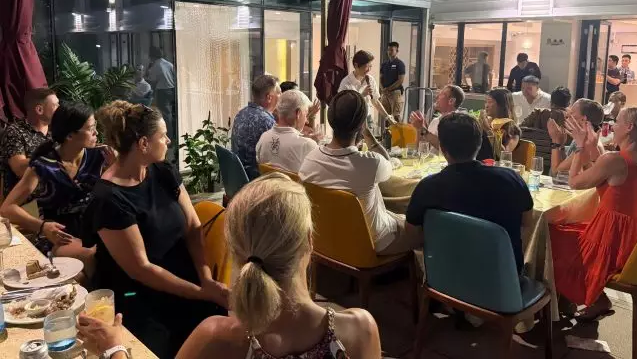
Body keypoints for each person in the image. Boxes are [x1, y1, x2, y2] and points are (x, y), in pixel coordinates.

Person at [77, 173, 383, 359]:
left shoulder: (216, 338)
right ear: (309, 242)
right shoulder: (360, 330)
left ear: (233, 249)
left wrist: (114, 348)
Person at [83, 102, 228, 358]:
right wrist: (199, 292)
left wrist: (206, 279)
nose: (168, 141)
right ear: (143, 144)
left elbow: (193, 226)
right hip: (140, 294)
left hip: (184, 277)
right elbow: (141, 269)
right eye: (163, 135)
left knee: (220, 331)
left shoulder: (162, 171)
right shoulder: (109, 199)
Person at [550, 107, 637, 320]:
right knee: (568, 229)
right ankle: (590, 298)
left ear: (629, 127)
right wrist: (592, 149)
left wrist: (580, 147)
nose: (612, 125)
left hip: (610, 240)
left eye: (617, 121)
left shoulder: (615, 159)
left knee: (553, 233)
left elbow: (574, 182)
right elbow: (611, 181)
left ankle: (566, 299)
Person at [406, 112, 533, 273]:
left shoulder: (427, 188)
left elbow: (412, 238)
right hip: (503, 279)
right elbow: (527, 223)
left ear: (443, 149)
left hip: (446, 277)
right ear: (480, 144)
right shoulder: (512, 180)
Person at [299, 90, 422, 256]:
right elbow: (388, 163)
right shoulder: (370, 164)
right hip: (371, 246)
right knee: (423, 232)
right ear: (362, 125)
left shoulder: (310, 160)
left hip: (328, 240)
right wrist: (368, 135)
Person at [0, 103, 103, 260]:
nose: (96, 132)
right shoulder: (44, 165)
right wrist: (42, 227)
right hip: (60, 236)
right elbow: (7, 208)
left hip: (96, 229)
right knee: (93, 254)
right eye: (91, 128)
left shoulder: (100, 156)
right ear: (70, 136)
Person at [409, 85, 494, 161]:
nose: (437, 96)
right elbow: (422, 147)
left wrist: (422, 129)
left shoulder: (458, 124)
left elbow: (446, 148)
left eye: (442, 94)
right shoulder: (435, 121)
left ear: (451, 101)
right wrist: (418, 128)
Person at [0, 88, 58, 196]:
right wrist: (55, 155)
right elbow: (19, 169)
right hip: (28, 200)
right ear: (39, 110)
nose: (60, 109)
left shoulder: (56, 133)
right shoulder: (16, 131)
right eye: (56, 105)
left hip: (56, 196)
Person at [231, 75, 281, 179]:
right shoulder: (267, 121)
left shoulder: (241, 113)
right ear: (269, 97)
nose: (281, 96)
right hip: (257, 181)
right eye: (279, 92)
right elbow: (278, 155)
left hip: (238, 177)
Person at [256, 90, 317, 173]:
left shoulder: (263, 138)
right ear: (298, 113)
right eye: (306, 115)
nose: (307, 121)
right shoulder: (307, 145)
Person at [338, 50, 395, 129]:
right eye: (366, 66)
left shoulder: (370, 79)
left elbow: (375, 101)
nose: (369, 69)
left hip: (368, 119)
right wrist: (362, 95)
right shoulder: (346, 83)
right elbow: (344, 107)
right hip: (352, 122)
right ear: (356, 65)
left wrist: (388, 117)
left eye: (370, 66)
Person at [548, 98, 605, 175]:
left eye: (571, 113)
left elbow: (556, 173)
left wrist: (555, 141)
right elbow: (565, 166)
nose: (567, 115)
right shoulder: (582, 139)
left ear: (583, 119)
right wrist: (561, 145)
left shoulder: (587, 144)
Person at [146, 47, 176, 143]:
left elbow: (152, 81)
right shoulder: (169, 64)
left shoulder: (156, 66)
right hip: (172, 90)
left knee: (165, 115)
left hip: (162, 91)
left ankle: (169, 137)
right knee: (171, 114)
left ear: (152, 56)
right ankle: (174, 135)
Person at [480, 88, 521, 155]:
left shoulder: (513, 129)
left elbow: (504, 154)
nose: (486, 106)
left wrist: (488, 131)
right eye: (486, 102)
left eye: (490, 102)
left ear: (502, 105)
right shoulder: (484, 122)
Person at [379, 42, 406, 122]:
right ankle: (388, 130)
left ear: (397, 51)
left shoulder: (400, 64)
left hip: (395, 93)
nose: (389, 52)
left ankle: (400, 130)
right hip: (385, 93)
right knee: (386, 116)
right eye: (388, 50)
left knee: (396, 116)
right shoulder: (384, 64)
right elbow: (380, 78)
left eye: (392, 50)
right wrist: (383, 89)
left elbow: (400, 80)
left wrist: (388, 89)